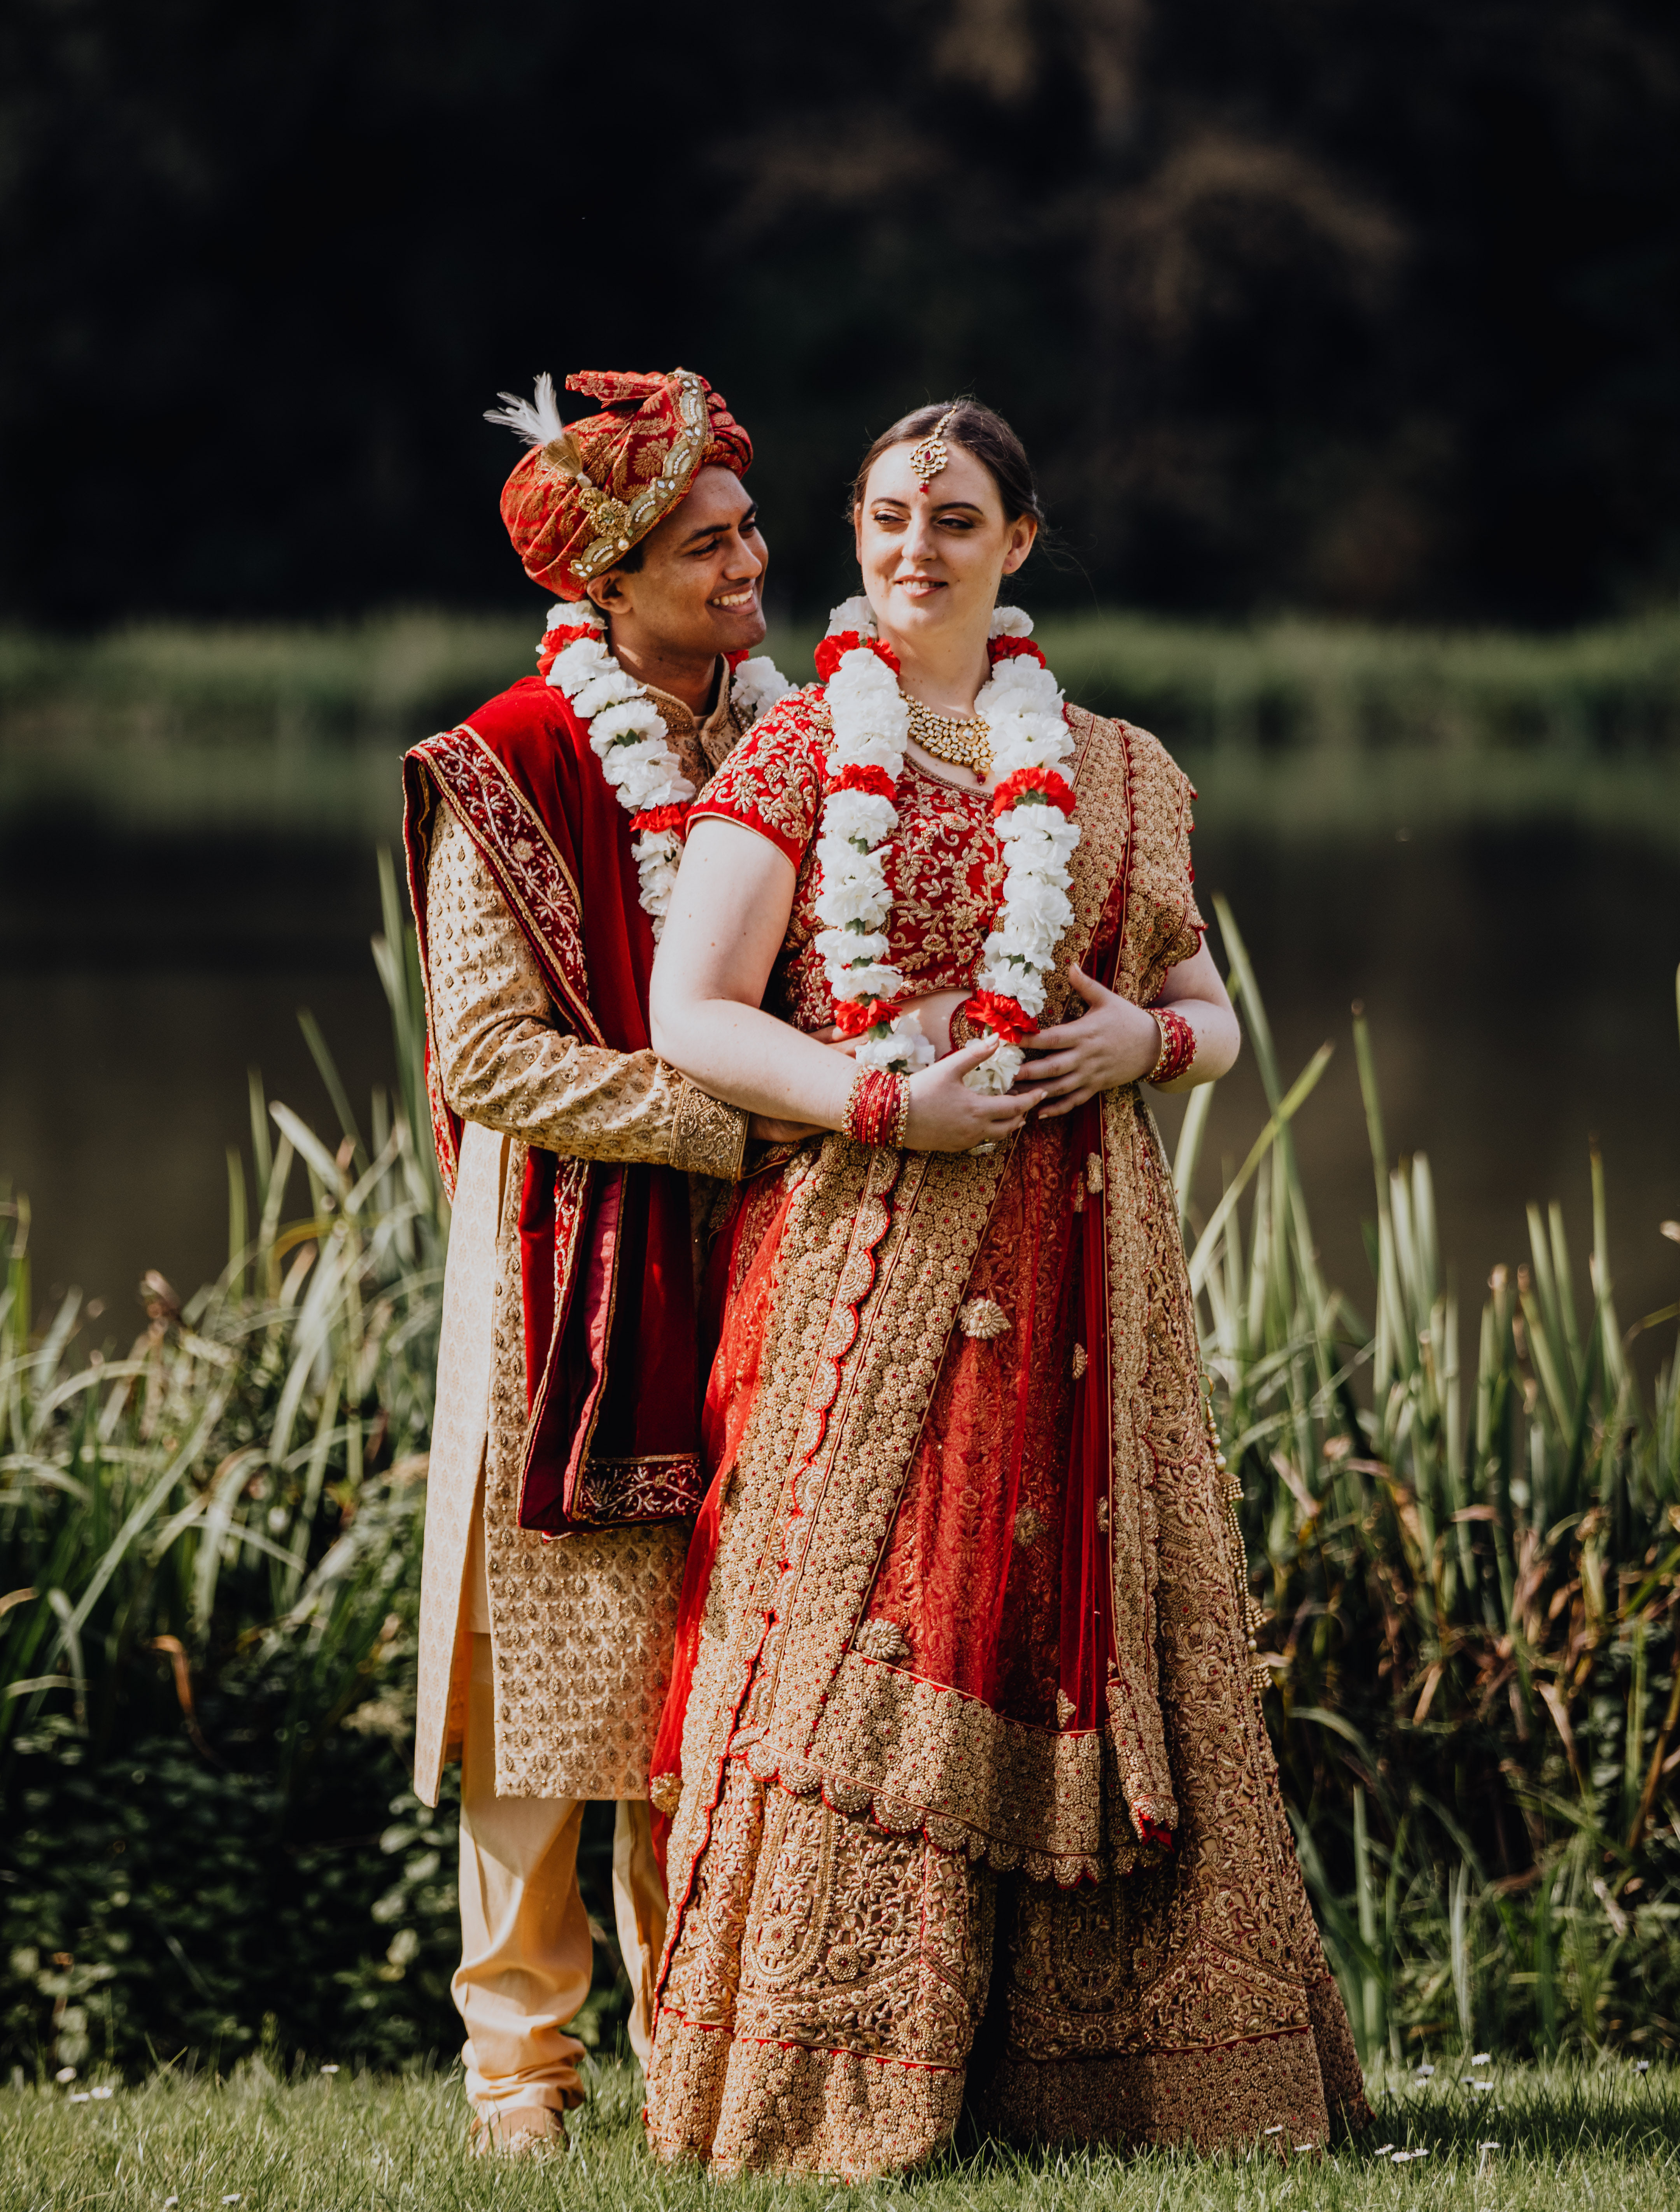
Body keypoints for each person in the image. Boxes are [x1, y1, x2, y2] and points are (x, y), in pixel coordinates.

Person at [639, 399, 1370, 2176]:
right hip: (867, 1260)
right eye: (889, 515)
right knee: (871, 1621)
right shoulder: (800, 755)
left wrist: (1145, 1043)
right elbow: (692, 1015)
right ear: (856, 532)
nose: (917, 547)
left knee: (1078, 1618)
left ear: (1019, 542)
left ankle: (1120, 2091)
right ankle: (825, 2089)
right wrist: (883, 1099)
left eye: (956, 517)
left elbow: (1209, 1013)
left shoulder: (1118, 768)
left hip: (1082, 1265)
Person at [401, 365, 789, 2156]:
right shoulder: (512, 756)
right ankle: (521, 2084)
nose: (750, 561)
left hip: (769, 1267)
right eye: (707, 544)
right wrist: (727, 1121)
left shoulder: (802, 744)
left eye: (750, 529)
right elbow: (489, 1057)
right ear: (607, 581)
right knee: (549, 1702)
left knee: (720, 1689)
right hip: (564, 1280)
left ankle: (693, 2066)